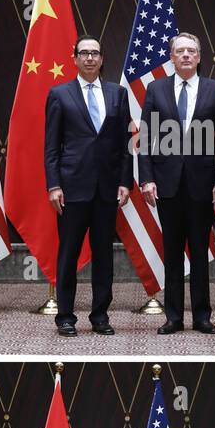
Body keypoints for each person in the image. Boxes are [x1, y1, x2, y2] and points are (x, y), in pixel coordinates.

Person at [138, 32, 215, 334]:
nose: (187, 55)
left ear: (200, 57)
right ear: (172, 57)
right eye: (181, 51)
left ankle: (202, 316)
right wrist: (147, 178)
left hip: (203, 186)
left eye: (192, 51)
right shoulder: (156, 89)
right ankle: (174, 317)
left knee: (200, 254)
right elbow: (146, 139)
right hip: (167, 185)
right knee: (173, 253)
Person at [44, 37, 132, 337]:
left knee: (104, 255)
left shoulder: (118, 94)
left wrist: (124, 181)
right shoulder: (59, 94)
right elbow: (52, 146)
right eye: (84, 53)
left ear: (102, 58)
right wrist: (54, 185)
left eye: (95, 53)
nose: (90, 58)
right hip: (71, 188)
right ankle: (65, 316)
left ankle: (100, 316)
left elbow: (125, 145)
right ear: (75, 58)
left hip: (107, 189)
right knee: (68, 254)